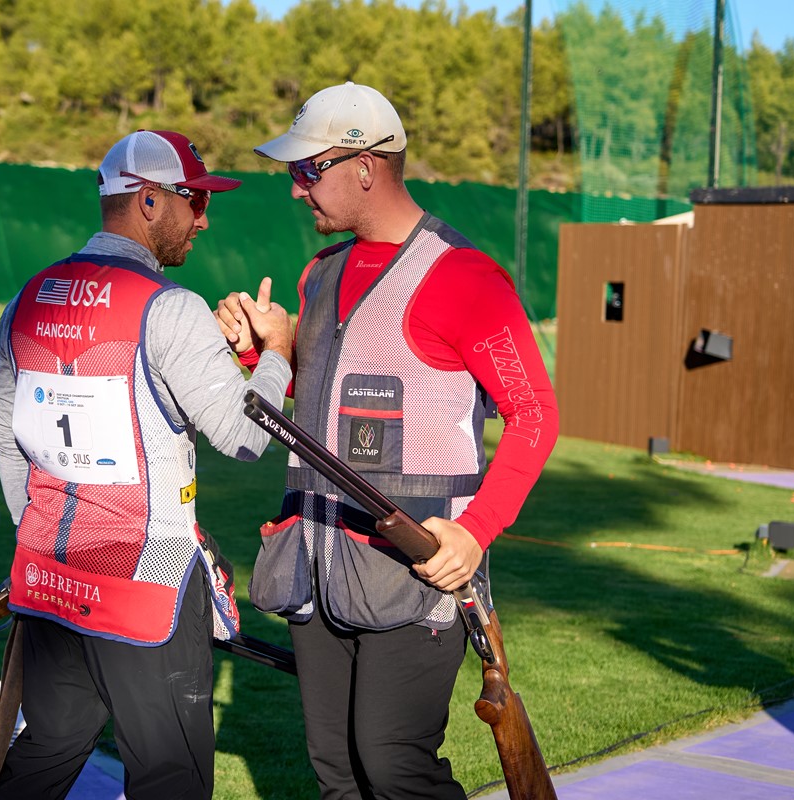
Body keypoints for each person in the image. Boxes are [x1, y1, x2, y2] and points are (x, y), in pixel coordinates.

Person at [216, 83, 559, 799]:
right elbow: (318, 405)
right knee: (337, 773)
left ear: (365, 168)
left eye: (307, 170)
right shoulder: (320, 274)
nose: (294, 190)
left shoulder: (464, 276)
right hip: (313, 565)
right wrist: (259, 354)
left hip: (416, 571)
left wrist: (475, 533)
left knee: (393, 764)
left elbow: (533, 413)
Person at [0, 128, 293, 800]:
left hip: (48, 576)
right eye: (195, 200)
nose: (204, 219)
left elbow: (9, 443)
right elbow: (246, 436)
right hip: (143, 587)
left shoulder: (27, 298)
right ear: (150, 202)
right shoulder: (170, 308)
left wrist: (39, 535)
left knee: (44, 755)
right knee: (171, 777)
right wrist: (278, 353)